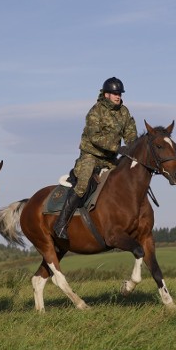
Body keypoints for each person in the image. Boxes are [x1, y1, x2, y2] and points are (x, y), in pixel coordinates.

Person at [53, 77, 138, 240]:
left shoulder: (124, 112)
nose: (118, 96)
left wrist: (133, 147)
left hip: (109, 159)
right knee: (83, 185)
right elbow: (94, 137)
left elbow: (130, 132)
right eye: (114, 93)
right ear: (106, 94)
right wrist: (118, 148)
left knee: (124, 182)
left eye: (119, 93)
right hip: (90, 155)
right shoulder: (95, 111)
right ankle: (60, 224)